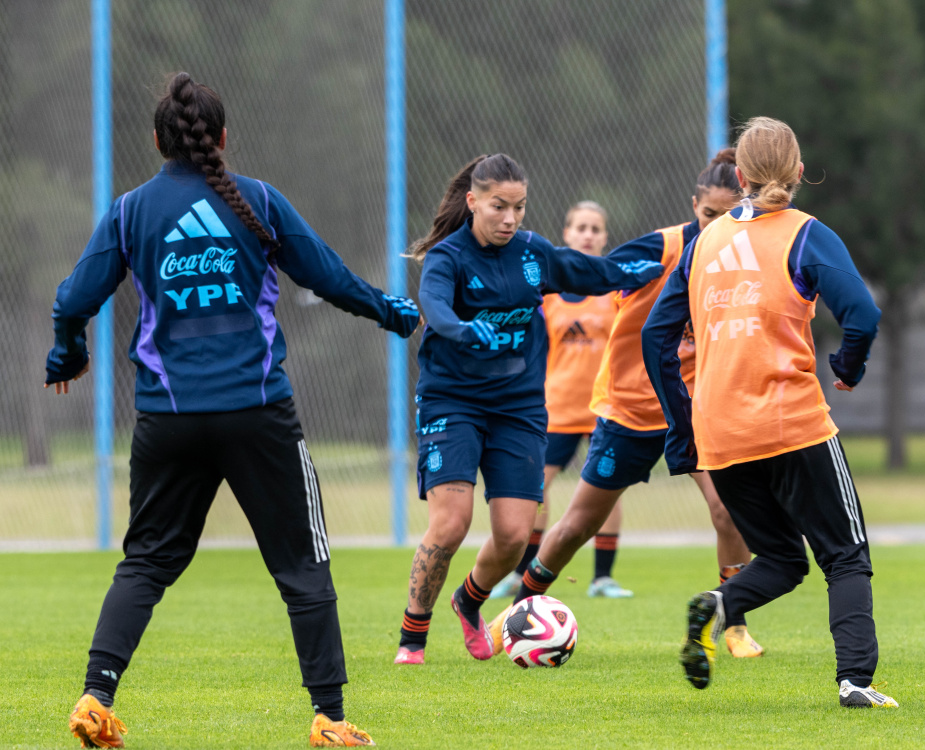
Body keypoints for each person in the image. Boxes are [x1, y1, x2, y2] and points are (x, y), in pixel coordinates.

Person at [48, 73, 419, 748]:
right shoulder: (257, 201)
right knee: (303, 566)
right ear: (221, 139)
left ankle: (95, 699)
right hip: (257, 414)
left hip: (169, 417)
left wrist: (66, 355)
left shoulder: (131, 211)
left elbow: (72, 301)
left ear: (157, 141)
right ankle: (330, 719)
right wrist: (386, 310)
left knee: (146, 563)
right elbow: (326, 276)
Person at [642, 117, 897, 708]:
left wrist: (684, 429)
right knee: (844, 555)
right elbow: (862, 314)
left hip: (720, 433)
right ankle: (856, 682)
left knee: (782, 558)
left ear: (739, 176)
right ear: (800, 172)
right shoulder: (806, 234)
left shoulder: (703, 242)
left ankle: (717, 605)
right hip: (791, 422)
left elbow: (658, 336)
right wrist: (848, 369)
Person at [489, 150, 763, 660]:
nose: (715, 229)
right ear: (694, 206)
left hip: (697, 408)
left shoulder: (741, 257)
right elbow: (597, 274)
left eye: (728, 218)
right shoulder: (661, 249)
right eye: (708, 217)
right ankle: (523, 606)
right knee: (578, 523)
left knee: (727, 511)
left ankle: (734, 625)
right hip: (631, 409)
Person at [393, 154, 662, 665]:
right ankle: (413, 635)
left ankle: (468, 601)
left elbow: (592, 271)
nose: (510, 218)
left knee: (515, 535)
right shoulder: (448, 258)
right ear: (473, 202)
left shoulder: (533, 253)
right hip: (452, 399)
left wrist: (653, 266)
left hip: (517, 406)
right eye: (499, 206)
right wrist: (464, 329)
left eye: (518, 207)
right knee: (450, 524)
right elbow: (435, 306)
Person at [490, 200, 632, 601]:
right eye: (580, 227)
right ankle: (521, 572)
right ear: (567, 234)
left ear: (605, 237)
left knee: (608, 489)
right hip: (557, 410)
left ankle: (603, 577)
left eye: (595, 228)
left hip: (606, 408)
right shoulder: (547, 294)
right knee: (536, 489)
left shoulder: (615, 290)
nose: (587, 234)